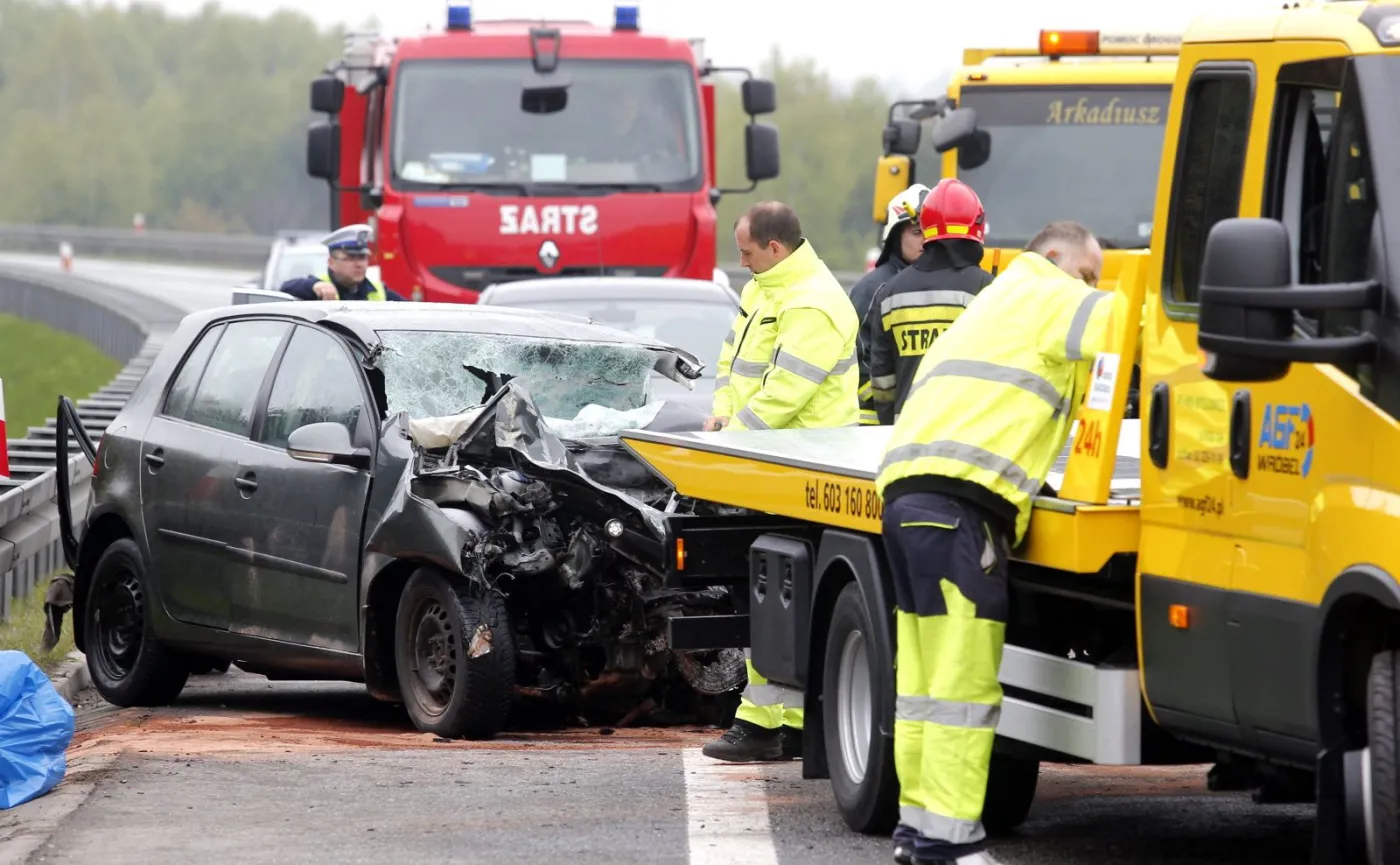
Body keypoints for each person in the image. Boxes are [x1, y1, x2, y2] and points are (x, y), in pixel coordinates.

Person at [876, 220, 1131, 865]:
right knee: (962, 686)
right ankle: (954, 840)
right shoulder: (1048, 293)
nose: (1091, 288)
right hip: (961, 507)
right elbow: (1129, 328)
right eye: (1087, 274)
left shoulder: (994, 303)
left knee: (926, 685)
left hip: (908, 500)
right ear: (1052, 258)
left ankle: (918, 830)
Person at [701, 201, 859, 763]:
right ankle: (782, 722)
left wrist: (732, 438)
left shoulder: (814, 302)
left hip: (803, 467)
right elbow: (731, 364)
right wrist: (721, 415)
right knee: (775, 595)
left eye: (745, 252)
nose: (740, 263)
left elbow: (787, 393)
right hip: (768, 463)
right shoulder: (765, 288)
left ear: (775, 248)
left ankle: (768, 723)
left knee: (779, 597)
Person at [867, 178, 993, 425]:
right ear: (976, 227)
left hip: (905, 439)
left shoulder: (890, 293)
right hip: (967, 438)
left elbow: (882, 384)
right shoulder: (988, 289)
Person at [848, 184, 930, 425]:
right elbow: (856, 363)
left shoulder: (941, 284)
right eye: (916, 232)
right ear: (895, 236)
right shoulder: (871, 290)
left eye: (930, 231)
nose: (925, 241)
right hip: (873, 426)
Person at [280, 224, 406, 301]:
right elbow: (285, 289)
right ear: (331, 262)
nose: (359, 264)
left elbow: (412, 311)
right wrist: (314, 286)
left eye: (362, 257)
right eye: (350, 258)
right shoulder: (317, 287)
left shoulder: (378, 291)